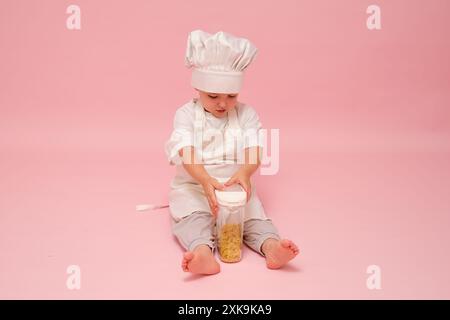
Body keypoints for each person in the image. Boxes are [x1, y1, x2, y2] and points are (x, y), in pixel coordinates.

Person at [164, 30, 299, 275]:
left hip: (236, 188)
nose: (223, 104)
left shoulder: (246, 114)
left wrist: (246, 173)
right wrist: (205, 180)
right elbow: (187, 151)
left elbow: (254, 148)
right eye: (213, 96)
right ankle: (203, 254)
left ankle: (271, 247)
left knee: (253, 220)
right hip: (195, 187)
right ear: (198, 89)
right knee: (195, 220)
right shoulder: (185, 115)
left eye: (231, 96)